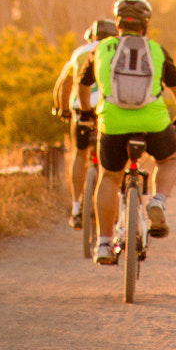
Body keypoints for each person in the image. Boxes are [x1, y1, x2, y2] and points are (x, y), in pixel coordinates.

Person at [77, 0, 176, 265]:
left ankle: (104, 244)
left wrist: (86, 112)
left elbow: (83, 86)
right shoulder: (156, 50)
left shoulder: (101, 49)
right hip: (152, 122)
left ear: (117, 24)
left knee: (109, 178)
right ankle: (158, 201)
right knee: (170, 159)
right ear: (145, 24)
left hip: (114, 122)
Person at [52, 18, 117, 232]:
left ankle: (77, 207)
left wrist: (61, 108)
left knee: (80, 153)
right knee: (113, 161)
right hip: (108, 109)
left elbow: (64, 83)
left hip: (81, 108)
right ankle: (116, 208)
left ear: (92, 36)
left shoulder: (79, 53)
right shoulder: (116, 50)